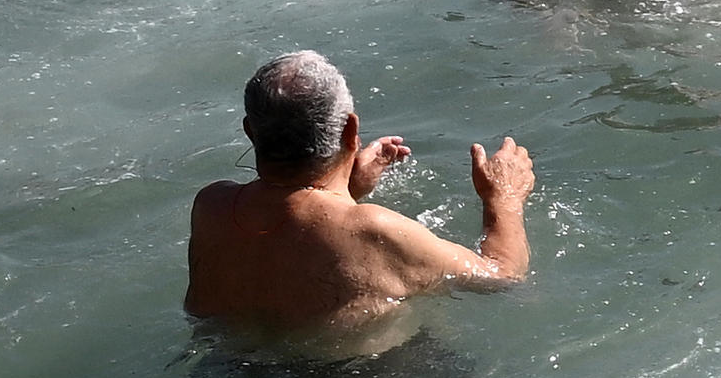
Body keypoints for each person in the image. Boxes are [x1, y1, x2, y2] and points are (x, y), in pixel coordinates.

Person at [182, 53, 533, 357]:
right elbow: (501, 276)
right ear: (350, 129)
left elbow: (291, 227)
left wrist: (346, 189)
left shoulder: (211, 207)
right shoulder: (373, 230)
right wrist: (503, 198)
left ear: (250, 131)